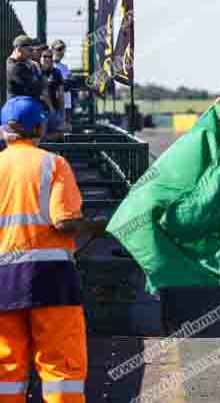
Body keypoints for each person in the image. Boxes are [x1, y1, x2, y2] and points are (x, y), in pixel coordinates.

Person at [0, 96, 108, 403]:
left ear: (4, 130)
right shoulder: (53, 164)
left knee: (6, 367)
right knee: (60, 363)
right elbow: (64, 222)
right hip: (52, 278)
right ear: (39, 128)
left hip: (3, 281)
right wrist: (95, 227)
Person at [40, 48, 65, 138]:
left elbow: (61, 94)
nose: (47, 59)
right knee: (42, 138)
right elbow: (42, 94)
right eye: (44, 56)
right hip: (40, 111)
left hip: (54, 111)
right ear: (40, 58)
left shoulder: (57, 72)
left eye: (49, 57)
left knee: (59, 136)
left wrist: (62, 116)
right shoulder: (36, 71)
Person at [51, 39, 73, 129]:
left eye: (63, 50)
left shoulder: (65, 67)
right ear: (52, 50)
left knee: (66, 129)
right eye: (59, 49)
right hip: (56, 105)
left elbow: (68, 85)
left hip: (66, 105)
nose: (61, 52)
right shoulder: (48, 65)